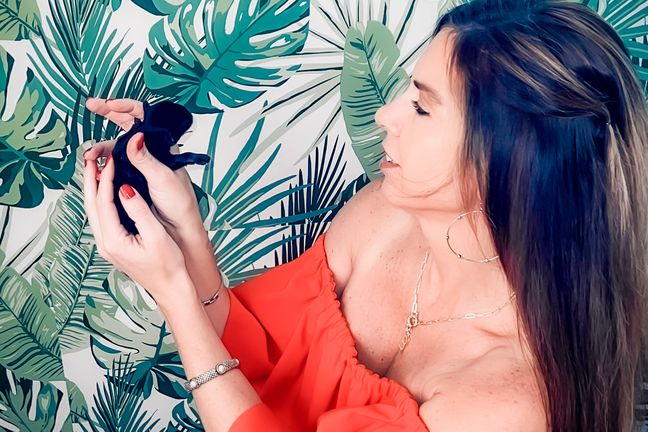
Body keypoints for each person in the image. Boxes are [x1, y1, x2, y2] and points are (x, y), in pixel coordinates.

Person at [82, 0, 648, 430]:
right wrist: (182, 224)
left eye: (422, 107)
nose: (385, 114)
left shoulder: (507, 405)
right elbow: (261, 357)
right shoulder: (384, 214)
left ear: (505, 164)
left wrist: (173, 293)